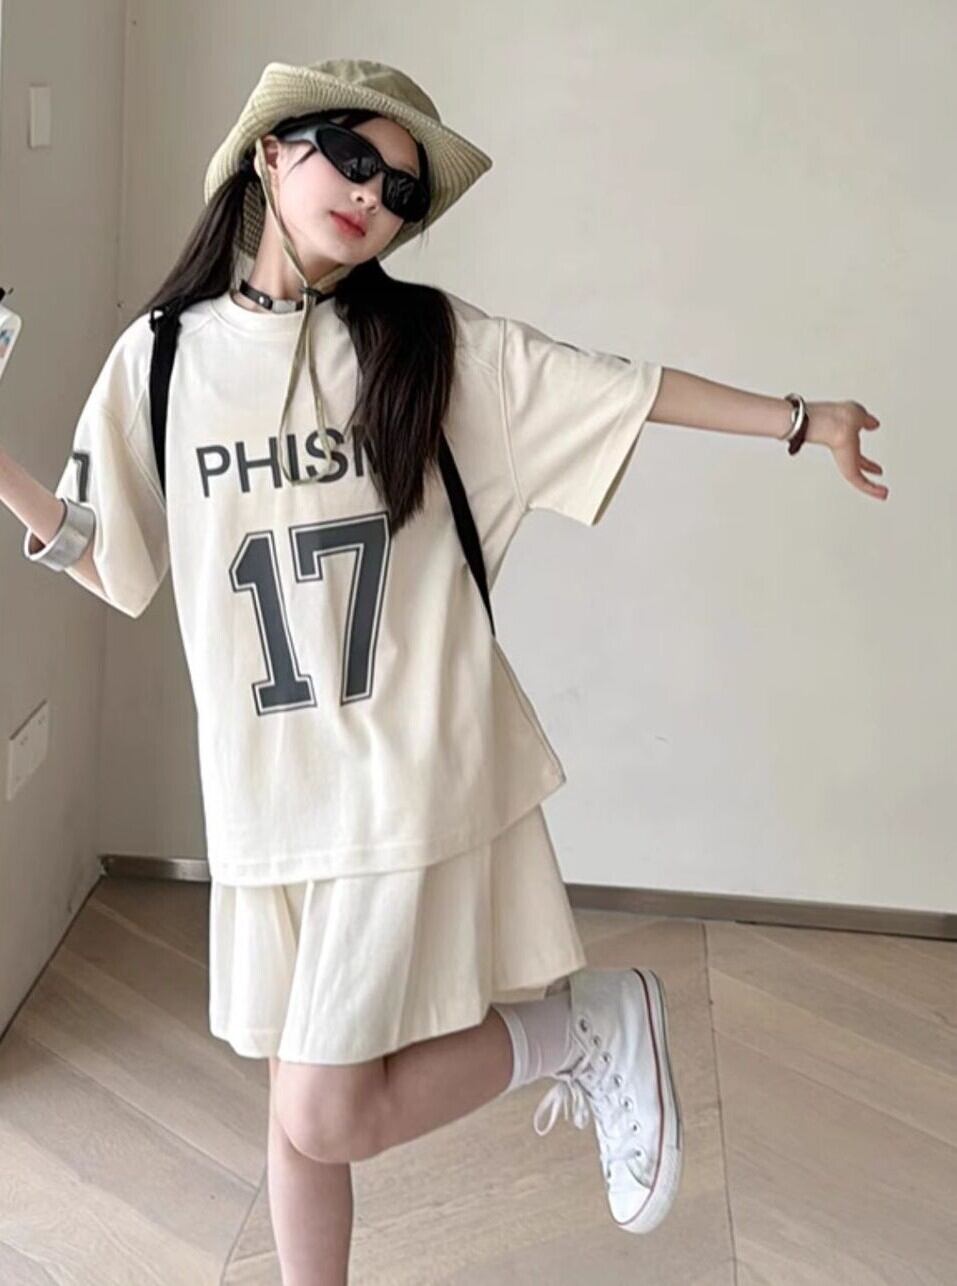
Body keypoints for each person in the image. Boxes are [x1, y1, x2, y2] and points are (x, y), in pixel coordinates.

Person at [0, 56, 886, 1285]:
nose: (374, 195)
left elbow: (617, 389)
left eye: (402, 191)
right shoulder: (159, 360)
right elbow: (114, 558)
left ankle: (583, 1024)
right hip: (263, 798)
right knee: (298, 1110)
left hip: (400, 768)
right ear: (272, 151)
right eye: (352, 158)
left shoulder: (426, 345)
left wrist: (800, 418)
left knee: (322, 1108)